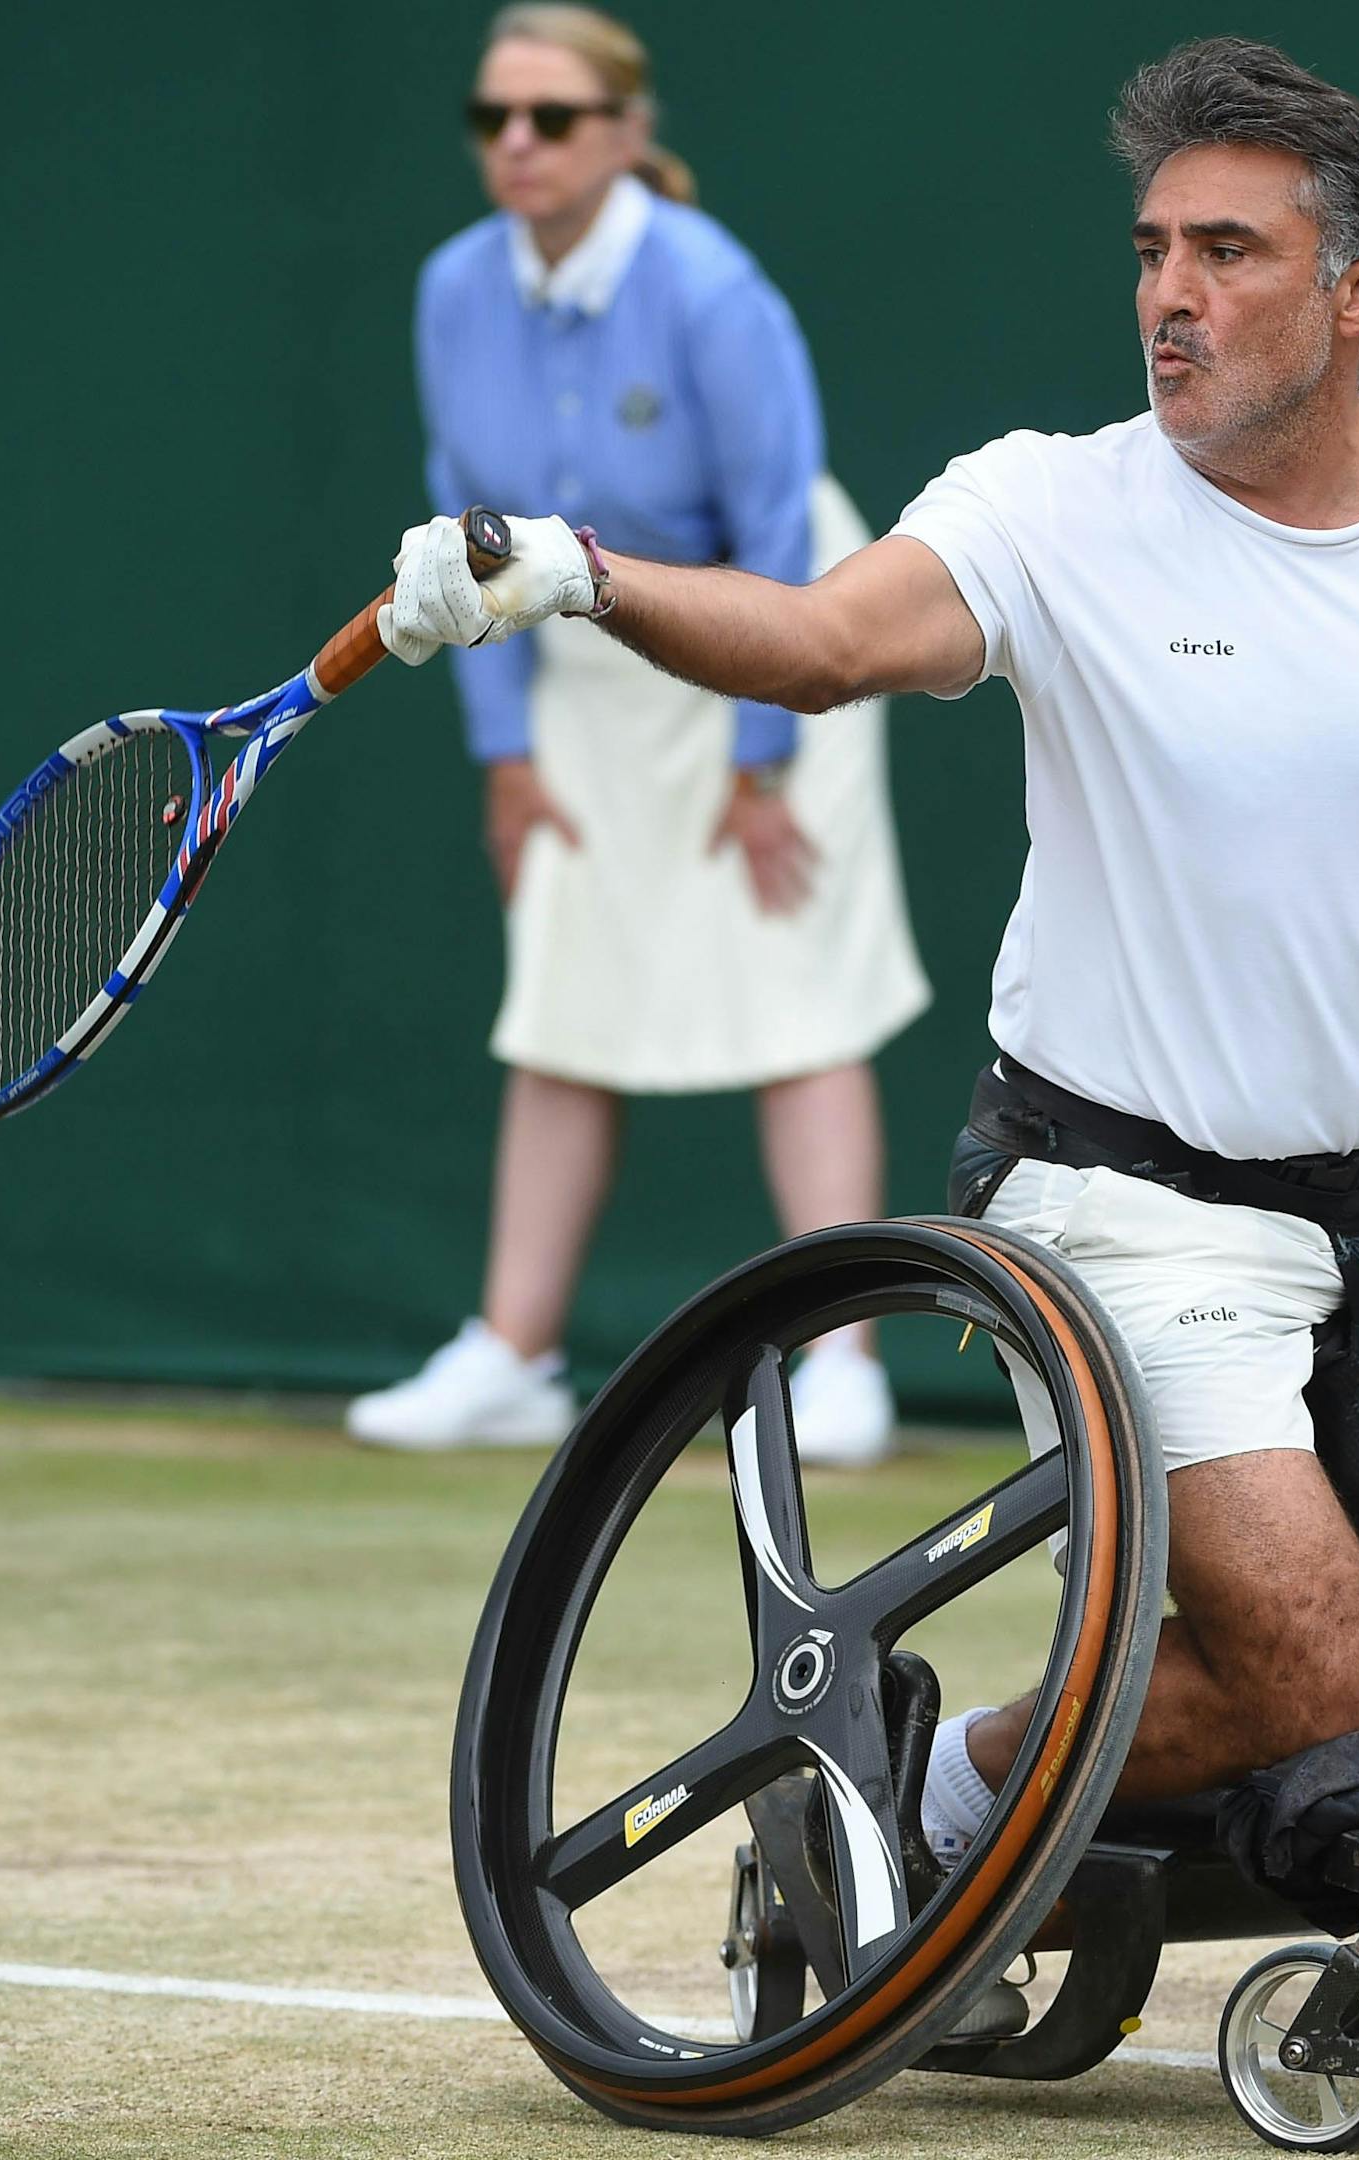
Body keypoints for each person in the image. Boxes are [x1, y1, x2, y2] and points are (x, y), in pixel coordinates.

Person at [377, 38, 1359, 1843]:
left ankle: (1090, 1838)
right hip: (1106, 1207)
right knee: (1322, 1673)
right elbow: (818, 645)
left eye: (1227, 253)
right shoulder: (1049, 508)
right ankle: (933, 1802)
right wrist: (579, 568)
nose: (1171, 299)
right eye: (1150, 253)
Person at [347, 4, 930, 1466]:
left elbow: (782, 528)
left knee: (795, 1004)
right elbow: (463, 538)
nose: (520, 146)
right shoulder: (450, 290)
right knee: (562, 1007)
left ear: (623, 131)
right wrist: (506, 753)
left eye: (550, 118)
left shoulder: (713, 292)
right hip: (579, 662)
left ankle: (847, 1365)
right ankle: (512, 1353)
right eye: (494, 121)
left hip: (770, 631)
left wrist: (761, 763)